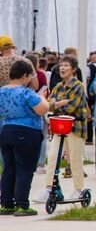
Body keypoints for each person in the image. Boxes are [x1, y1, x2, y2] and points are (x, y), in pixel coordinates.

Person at [37, 56, 90, 202]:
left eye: (66, 66)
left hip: (75, 127)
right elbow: (49, 104)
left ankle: (78, 189)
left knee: (75, 159)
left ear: (73, 69)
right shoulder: (58, 87)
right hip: (59, 127)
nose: (62, 68)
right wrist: (59, 103)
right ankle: (49, 188)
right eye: (61, 66)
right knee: (53, 157)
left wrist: (56, 104)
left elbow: (71, 107)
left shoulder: (78, 86)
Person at [0, 60, 49, 215]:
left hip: (6, 130)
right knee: (25, 168)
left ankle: (6, 203)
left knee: (9, 168)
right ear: (24, 76)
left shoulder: (2, 91)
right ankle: (22, 204)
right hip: (27, 132)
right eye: (29, 76)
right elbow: (42, 110)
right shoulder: (26, 92)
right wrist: (42, 98)